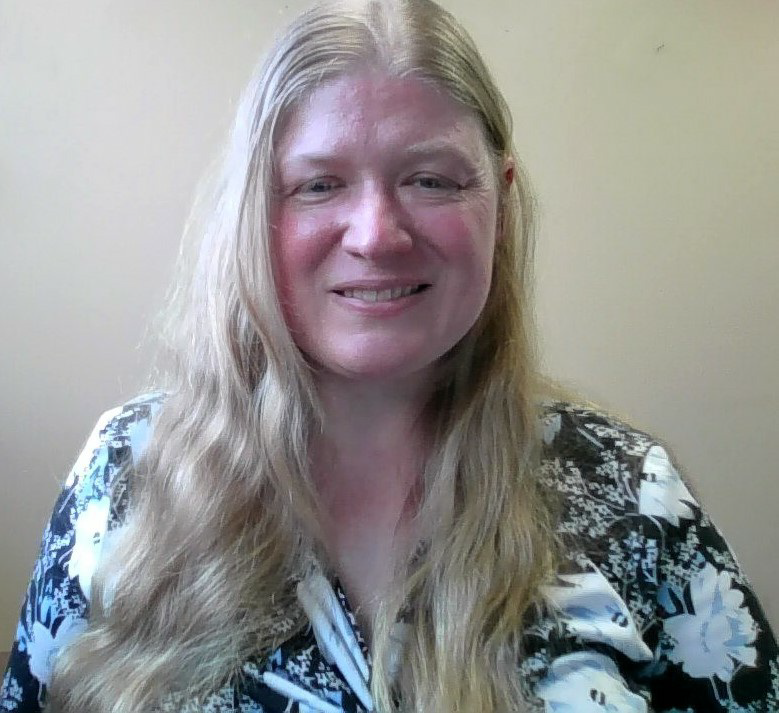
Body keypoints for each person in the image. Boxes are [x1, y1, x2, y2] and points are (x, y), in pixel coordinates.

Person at [2, 0, 777, 710]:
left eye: (430, 179)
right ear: (253, 213)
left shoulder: (633, 495)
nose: (375, 234)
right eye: (318, 185)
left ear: (500, 204)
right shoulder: (125, 472)